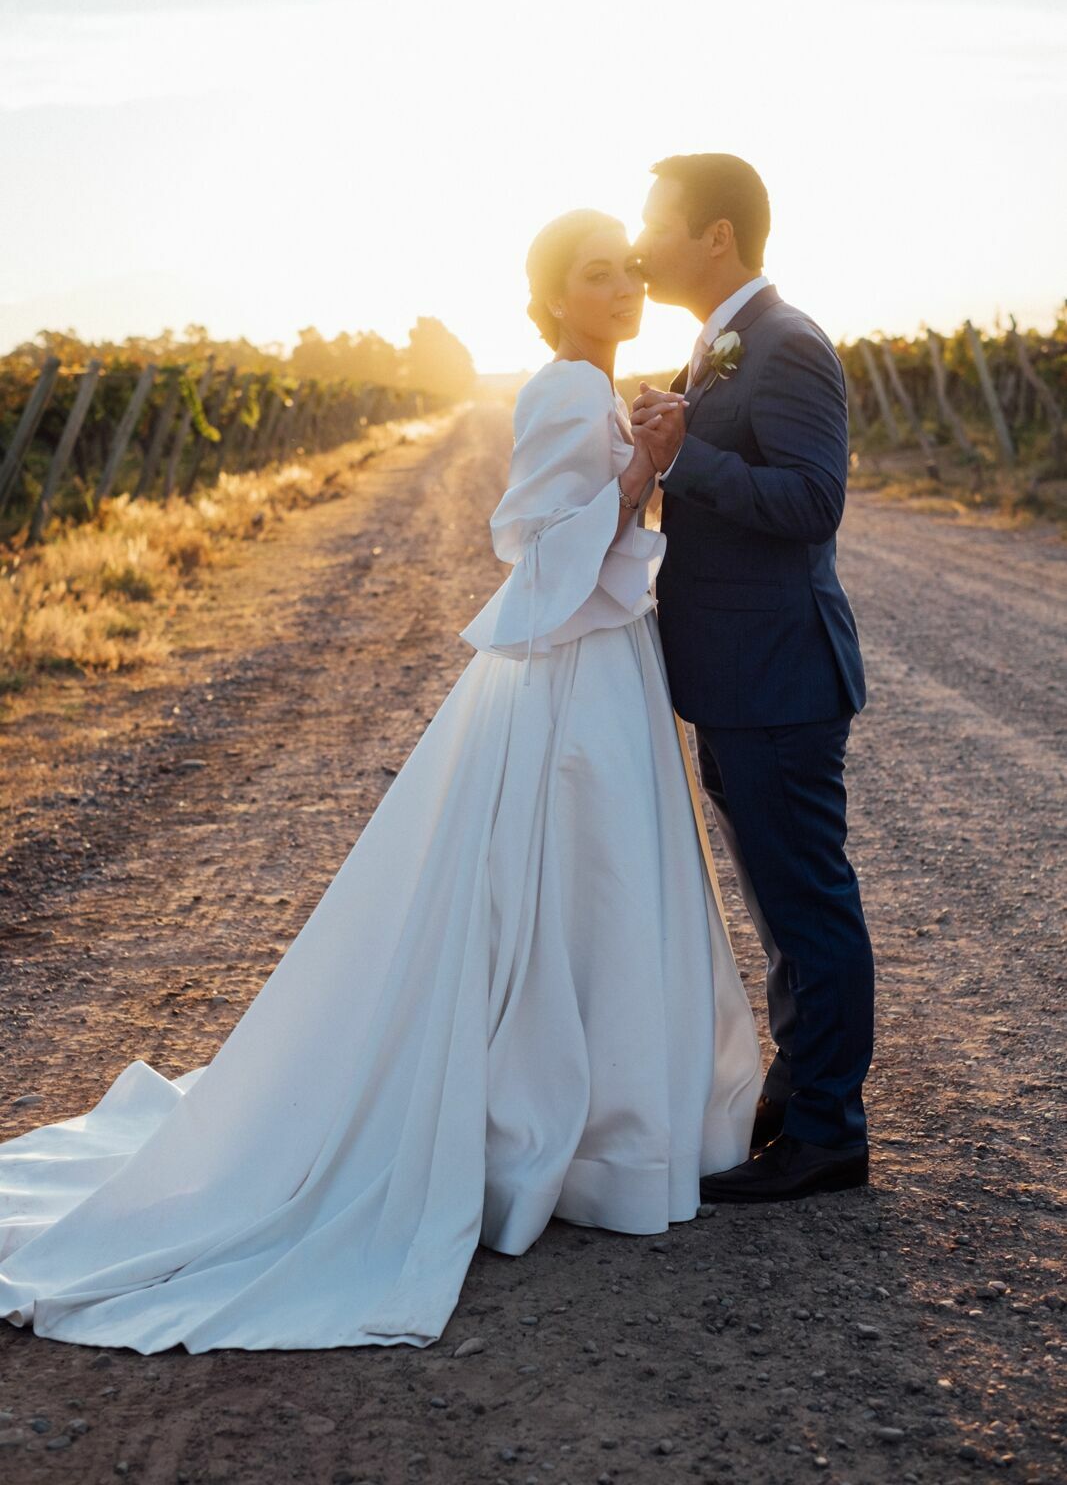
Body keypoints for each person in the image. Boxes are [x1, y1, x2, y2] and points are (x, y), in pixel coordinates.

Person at [0, 209, 761, 1355]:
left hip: (604, 660)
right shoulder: (561, 387)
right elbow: (534, 542)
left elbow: (596, 534)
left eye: (622, 270)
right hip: (568, 674)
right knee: (573, 883)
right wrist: (646, 466)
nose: (619, 286)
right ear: (554, 299)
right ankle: (581, 1133)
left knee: (592, 889)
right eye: (594, 275)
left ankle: (610, 1121)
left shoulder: (597, 384)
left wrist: (642, 455)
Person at [631, 153, 874, 1202]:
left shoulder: (784, 343)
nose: (642, 241)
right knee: (779, 907)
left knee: (808, 905)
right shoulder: (715, 345)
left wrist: (686, 460)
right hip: (736, 680)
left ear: (715, 235)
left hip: (778, 677)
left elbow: (812, 500)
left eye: (656, 219)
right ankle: (797, 1088)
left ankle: (828, 1131)